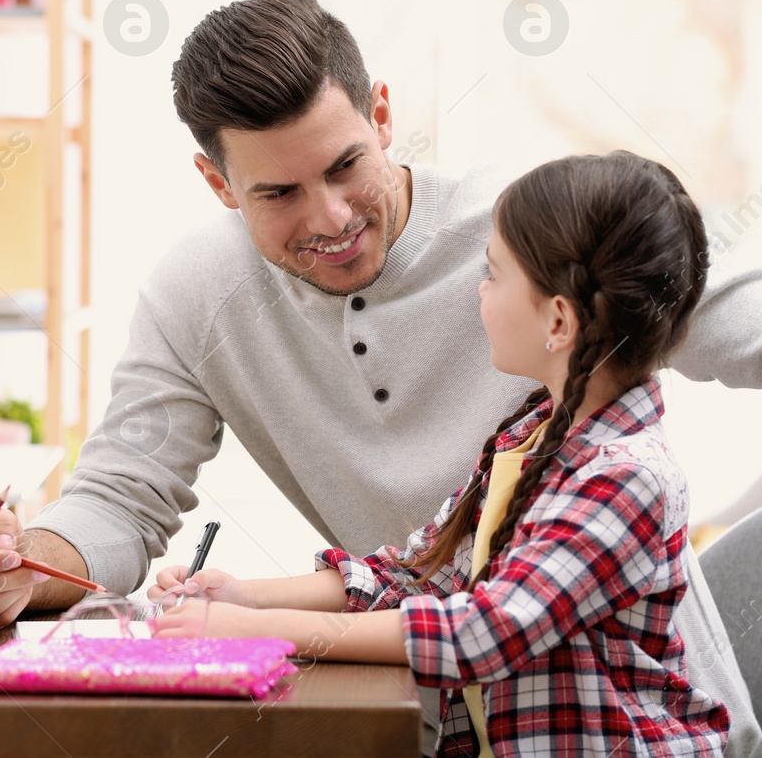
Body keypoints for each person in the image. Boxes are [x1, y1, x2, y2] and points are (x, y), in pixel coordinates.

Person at [0, 0, 762, 756]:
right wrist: (24, 570)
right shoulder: (199, 295)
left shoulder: (540, 235)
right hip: (431, 721)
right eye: (278, 194)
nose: (331, 218)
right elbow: (125, 494)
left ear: (381, 113)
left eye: (346, 165)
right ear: (215, 180)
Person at [147, 150, 731, 757]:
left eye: (495, 274)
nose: (480, 289)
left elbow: (483, 632)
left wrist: (255, 632)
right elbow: (421, 573)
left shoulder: (624, 479)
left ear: (558, 321)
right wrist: (247, 597)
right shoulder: (532, 436)